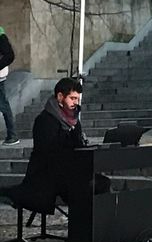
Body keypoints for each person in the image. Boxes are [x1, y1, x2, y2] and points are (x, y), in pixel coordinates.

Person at [8, 78, 109, 213]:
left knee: (102, 183)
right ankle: (81, 222)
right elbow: (47, 153)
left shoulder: (74, 121)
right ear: (60, 96)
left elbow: (78, 146)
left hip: (69, 171)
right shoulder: (45, 120)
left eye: (77, 99)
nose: (76, 103)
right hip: (46, 175)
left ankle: (95, 221)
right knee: (82, 187)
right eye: (72, 98)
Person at [0, 26, 18, 145]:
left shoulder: (1, 36)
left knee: (3, 105)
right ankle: (12, 134)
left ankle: (12, 134)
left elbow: (9, 56)